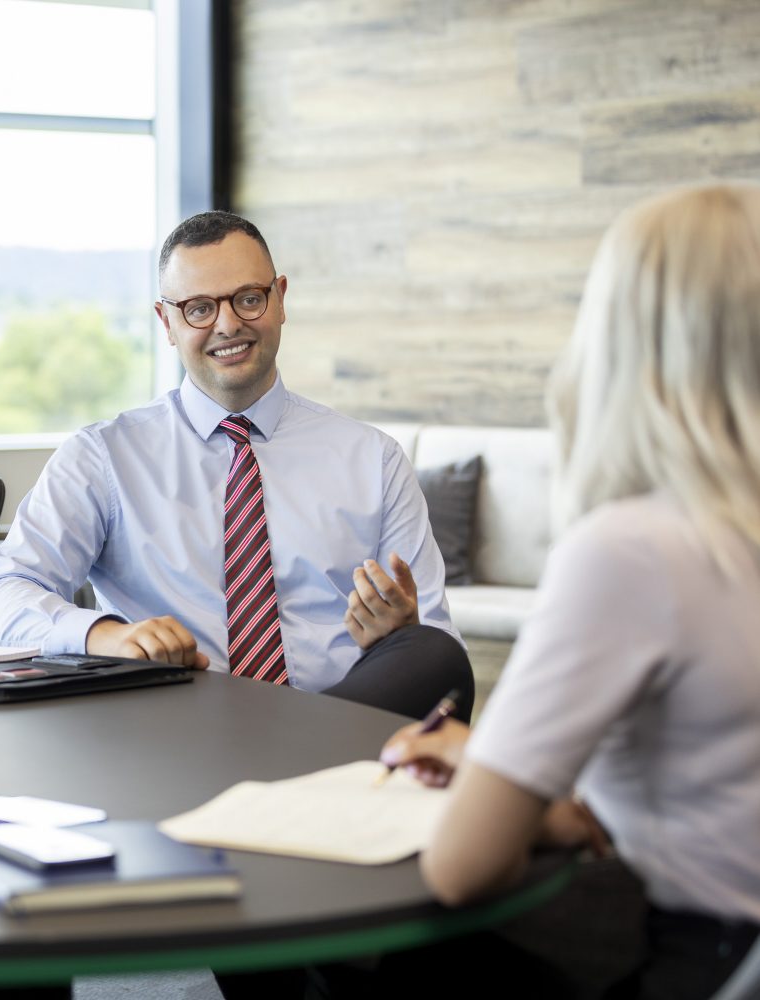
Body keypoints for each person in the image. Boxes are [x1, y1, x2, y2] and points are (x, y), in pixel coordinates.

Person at [379, 183, 760, 998]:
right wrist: (515, 775)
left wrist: (494, 783)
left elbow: (462, 867)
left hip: (701, 961)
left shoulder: (636, 551)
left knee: (400, 962)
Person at [0, 210, 473, 719]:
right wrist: (107, 636)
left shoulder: (374, 458)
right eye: (199, 309)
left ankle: (294, 769)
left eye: (249, 299)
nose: (228, 324)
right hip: (178, 721)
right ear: (167, 323)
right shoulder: (104, 457)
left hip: (332, 719)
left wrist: (398, 637)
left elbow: (435, 644)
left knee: (436, 656)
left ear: (279, 300)